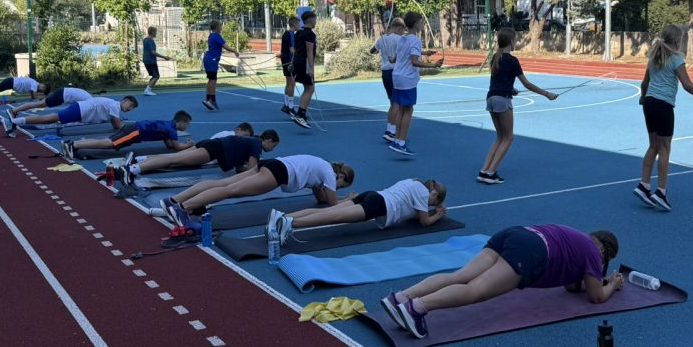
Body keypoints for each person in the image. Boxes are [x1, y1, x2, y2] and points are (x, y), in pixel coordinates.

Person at [380, 225, 622, 340]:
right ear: (605, 254)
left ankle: (402, 297)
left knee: (461, 276)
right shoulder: (593, 252)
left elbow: (571, 286)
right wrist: (612, 283)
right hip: (532, 252)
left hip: (517, 234)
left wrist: (594, 280)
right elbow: (597, 297)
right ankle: (417, 308)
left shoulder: (578, 239)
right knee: (476, 291)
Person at [633, 23, 693, 212]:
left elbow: (644, 83)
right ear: (678, 41)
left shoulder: (654, 57)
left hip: (649, 104)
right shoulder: (677, 58)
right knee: (664, 148)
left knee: (653, 146)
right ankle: (661, 192)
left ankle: (644, 185)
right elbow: (687, 85)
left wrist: (643, 98)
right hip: (663, 105)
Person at [165, 154, 355, 224]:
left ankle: (175, 200)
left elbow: (321, 199)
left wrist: (330, 196)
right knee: (231, 191)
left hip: (273, 163)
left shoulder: (321, 166)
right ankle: (182, 208)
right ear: (340, 176)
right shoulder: (329, 174)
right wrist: (348, 200)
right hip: (278, 172)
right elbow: (331, 204)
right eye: (341, 186)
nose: (337, 188)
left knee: (224, 184)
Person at [267, 177, 447, 250]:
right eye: (435, 202)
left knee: (329, 211)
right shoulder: (423, 194)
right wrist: (438, 215)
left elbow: (411, 212)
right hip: (379, 205)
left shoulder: (413, 182)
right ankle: (291, 224)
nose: (431, 205)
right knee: (333, 217)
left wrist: (429, 209)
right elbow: (424, 222)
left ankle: (282, 216)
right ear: (435, 195)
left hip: (372, 195)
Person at [478, 27, 556, 184]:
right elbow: (526, 83)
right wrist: (547, 94)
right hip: (502, 101)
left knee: (499, 137)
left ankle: (484, 171)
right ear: (511, 42)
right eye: (515, 39)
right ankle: (492, 173)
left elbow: (499, 80)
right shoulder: (512, 61)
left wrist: (511, 89)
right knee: (508, 138)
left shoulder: (495, 57)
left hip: (491, 99)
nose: (516, 42)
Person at [119, 129, 279, 186]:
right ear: (269, 141)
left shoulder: (252, 141)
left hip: (212, 144)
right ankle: (133, 169)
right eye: (274, 146)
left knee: (174, 157)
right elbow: (252, 171)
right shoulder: (257, 145)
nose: (272, 149)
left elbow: (239, 169)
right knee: (175, 160)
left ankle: (139, 161)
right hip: (214, 149)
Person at [387, 10, 444, 156]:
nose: (423, 24)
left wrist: (424, 53)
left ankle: (397, 139)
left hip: (397, 76)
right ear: (417, 24)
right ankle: (401, 142)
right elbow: (414, 61)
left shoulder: (402, 39)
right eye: (421, 22)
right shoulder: (416, 40)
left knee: (401, 109)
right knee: (408, 110)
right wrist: (434, 65)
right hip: (407, 79)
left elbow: (394, 59)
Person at [64, 110, 193, 159]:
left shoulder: (168, 126)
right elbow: (177, 147)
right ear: (181, 122)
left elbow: (169, 144)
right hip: (134, 131)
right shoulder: (171, 130)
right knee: (109, 144)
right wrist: (188, 145)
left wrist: (176, 144)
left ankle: (74, 144)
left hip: (133, 128)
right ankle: (73, 144)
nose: (187, 127)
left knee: (107, 141)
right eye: (187, 124)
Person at [6, 95, 137, 137]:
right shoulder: (115, 106)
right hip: (80, 110)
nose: (130, 109)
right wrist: (132, 129)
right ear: (124, 101)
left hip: (80, 109)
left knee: (47, 119)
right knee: (46, 119)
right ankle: (14, 121)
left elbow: (115, 123)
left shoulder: (113, 105)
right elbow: (119, 125)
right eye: (130, 105)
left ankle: (15, 121)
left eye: (131, 108)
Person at [373, 16, 407, 143]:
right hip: (395, 72)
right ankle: (391, 131)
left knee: (393, 103)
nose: (403, 32)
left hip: (385, 72)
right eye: (403, 29)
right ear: (398, 27)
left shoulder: (382, 39)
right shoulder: (400, 39)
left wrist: (382, 44)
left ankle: (390, 128)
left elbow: (372, 51)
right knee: (397, 103)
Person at [202, 20, 241, 112]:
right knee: (212, 80)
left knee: (211, 79)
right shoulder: (216, 36)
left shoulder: (211, 35)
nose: (221, 27)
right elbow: (225, 46)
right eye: (220, 26)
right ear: (217, 27)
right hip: (212, 60)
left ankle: (210, 99)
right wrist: (235, 51)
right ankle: (210, 100)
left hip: (208, 59)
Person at [289, 9, 317, 129]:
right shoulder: (310, 34)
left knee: (307, 88)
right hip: (304, 64)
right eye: (315, 19)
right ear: (311, 20)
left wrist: (292, 62)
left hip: (297, 63)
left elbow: (295, 50)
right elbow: (309, 52)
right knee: (310, 89)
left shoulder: (298, 33)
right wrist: (311, 68)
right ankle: (300, 115)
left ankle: (301, 114)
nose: (316, 22)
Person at [10, 85, 92, 114]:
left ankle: (15, 110)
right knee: (38, 104)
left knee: (39, 104)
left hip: (61, 92)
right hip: (61, 96)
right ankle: (15, 110)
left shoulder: (88, 97)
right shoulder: (89, 101)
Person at [279, 13, 301, 116]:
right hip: (289, 60)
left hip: (284, 59)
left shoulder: (285, 34)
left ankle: (286, 104)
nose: (299, 26)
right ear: (294, 24)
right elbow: (292, 49)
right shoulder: (292, 34)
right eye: (298, 24)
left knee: (288, 82)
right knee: (292, 83)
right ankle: (291, 107)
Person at [142, 27, 168, 96]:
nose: (156, 33)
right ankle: (147, 90)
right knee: (156, 76)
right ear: (153, 32)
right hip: (151, 61)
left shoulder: (145, 40)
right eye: (155, 32)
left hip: (146, 60)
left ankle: (148, 89)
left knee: (154, 76)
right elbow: (153, 52)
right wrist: (164, 57)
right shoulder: (150, 41)